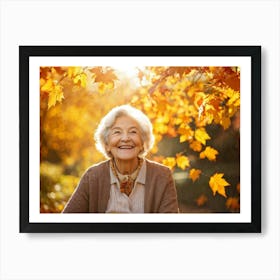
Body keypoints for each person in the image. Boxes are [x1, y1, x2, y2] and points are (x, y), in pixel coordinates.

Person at [62, 104, 179, 213]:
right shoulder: (93, 176)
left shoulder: (162, 176)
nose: (125, 138)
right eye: (117, 132)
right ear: (107, 144)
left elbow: (170, 228)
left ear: (143, 142)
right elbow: (67, 223)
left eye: (133, 132)